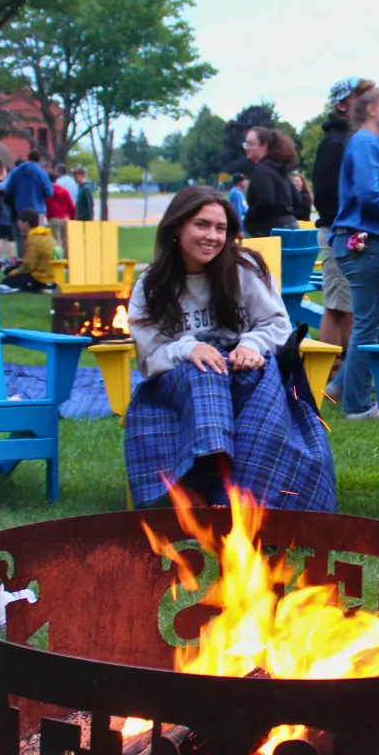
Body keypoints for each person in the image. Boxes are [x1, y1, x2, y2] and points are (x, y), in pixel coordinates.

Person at [124, 186, 334, 512]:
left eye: (220, 228)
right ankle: (209, 479)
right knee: (205, 371)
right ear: (176, 228)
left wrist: (252, 344)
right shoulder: (151, 285)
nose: (212, 236)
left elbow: (277, 327)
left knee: (255, 376)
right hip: (177, 387)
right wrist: (187, 349)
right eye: (202, 225)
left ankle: (239, 497)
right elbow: (149, 358)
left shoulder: (244, 268)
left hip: (242, 373)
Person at [332, 85, 379, 420]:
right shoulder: (364, 142)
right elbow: (367, 192)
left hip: (370, 243)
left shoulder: (374, 145)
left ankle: (340, 385)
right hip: (362, 242)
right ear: (372, 110)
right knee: (368, 323)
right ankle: (358, 406)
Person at [312, 78, 374, 398]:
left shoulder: (351, 139)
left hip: (348, 231)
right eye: (360, 98)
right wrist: (348, 227)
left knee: (347, 306)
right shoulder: (335, 143)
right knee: (337, 307)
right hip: (339, 233)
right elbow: (324, 196)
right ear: (341, 104)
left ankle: (348, 374)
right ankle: (327, 377)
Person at [240, 126, 301, 237]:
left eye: (251, 144)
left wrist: (249, 218)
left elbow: (267, 200)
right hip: (292, 226)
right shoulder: (281, 170)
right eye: (246, 144)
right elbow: (297, 200)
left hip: (271, 232)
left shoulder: (261, 170)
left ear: (264, 145)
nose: (247, 148)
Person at [4, 150, 53, 253]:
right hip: (37, 210)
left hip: (20, 210)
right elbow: (49, 192)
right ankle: (37, 262)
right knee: (38, 238)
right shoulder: (41, 173)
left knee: (22, 240)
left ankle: (23, 262)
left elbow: (8, 189)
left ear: (28, 158)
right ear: (39, 160)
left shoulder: (16, 172)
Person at [0, 211, 55, 293]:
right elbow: (38, 259)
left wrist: (14, 272)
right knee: (10, 270)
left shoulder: (33, 239)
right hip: (50, 274)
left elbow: (29, 266)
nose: (18, 224)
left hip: (41, 277)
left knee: (7, 280)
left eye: (19, 221)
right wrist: (21, 261)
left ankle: (42, 286)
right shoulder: (46, 235)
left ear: (26, 223)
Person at [45, 168, 75, 253]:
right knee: (66, 240)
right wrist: (72, 218)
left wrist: (48, 218)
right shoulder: (64, 191)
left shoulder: (48, 192)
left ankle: (58, 260)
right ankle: (68, 260)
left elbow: (46, 206)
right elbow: (71, 206)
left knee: (56, 241)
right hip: (65, 218)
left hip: (53, 218)